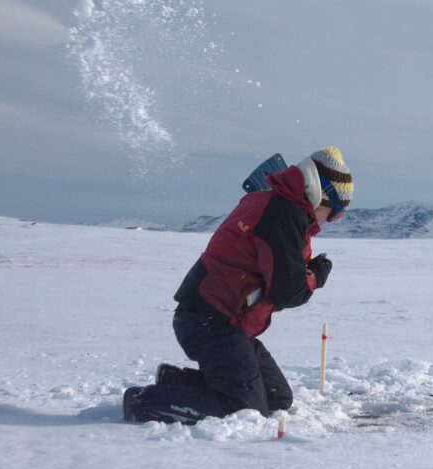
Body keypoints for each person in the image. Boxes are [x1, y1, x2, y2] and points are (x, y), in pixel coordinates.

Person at [123, 147, 353, 424]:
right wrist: (315, 276)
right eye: (336, 211)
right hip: (211, 323)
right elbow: (287, 291)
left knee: (276, 398)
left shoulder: (273, 204)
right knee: (242, 409)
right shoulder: (281, 214)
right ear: (320, 193)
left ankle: (176, 382)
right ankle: (142, 401)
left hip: (224, 322)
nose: (331, 219)